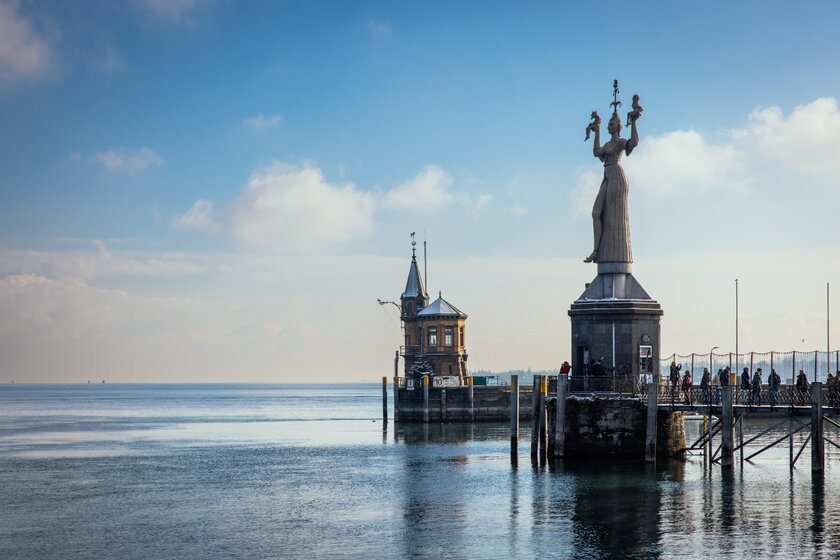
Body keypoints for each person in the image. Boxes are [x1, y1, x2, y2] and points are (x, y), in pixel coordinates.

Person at [582, 89, 641, 264]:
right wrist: (597, 131)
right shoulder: (607, 143)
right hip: (607, 175)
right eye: (609, 123)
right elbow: (596, 152)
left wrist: (635, 122)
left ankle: (605, 252)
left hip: (616, 175)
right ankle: (596, 250)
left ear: (619, 126)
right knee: (596, 213)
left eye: (612, 123)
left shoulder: (620, 142)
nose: (610, 125)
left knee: (614, 216)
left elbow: (634, 143)